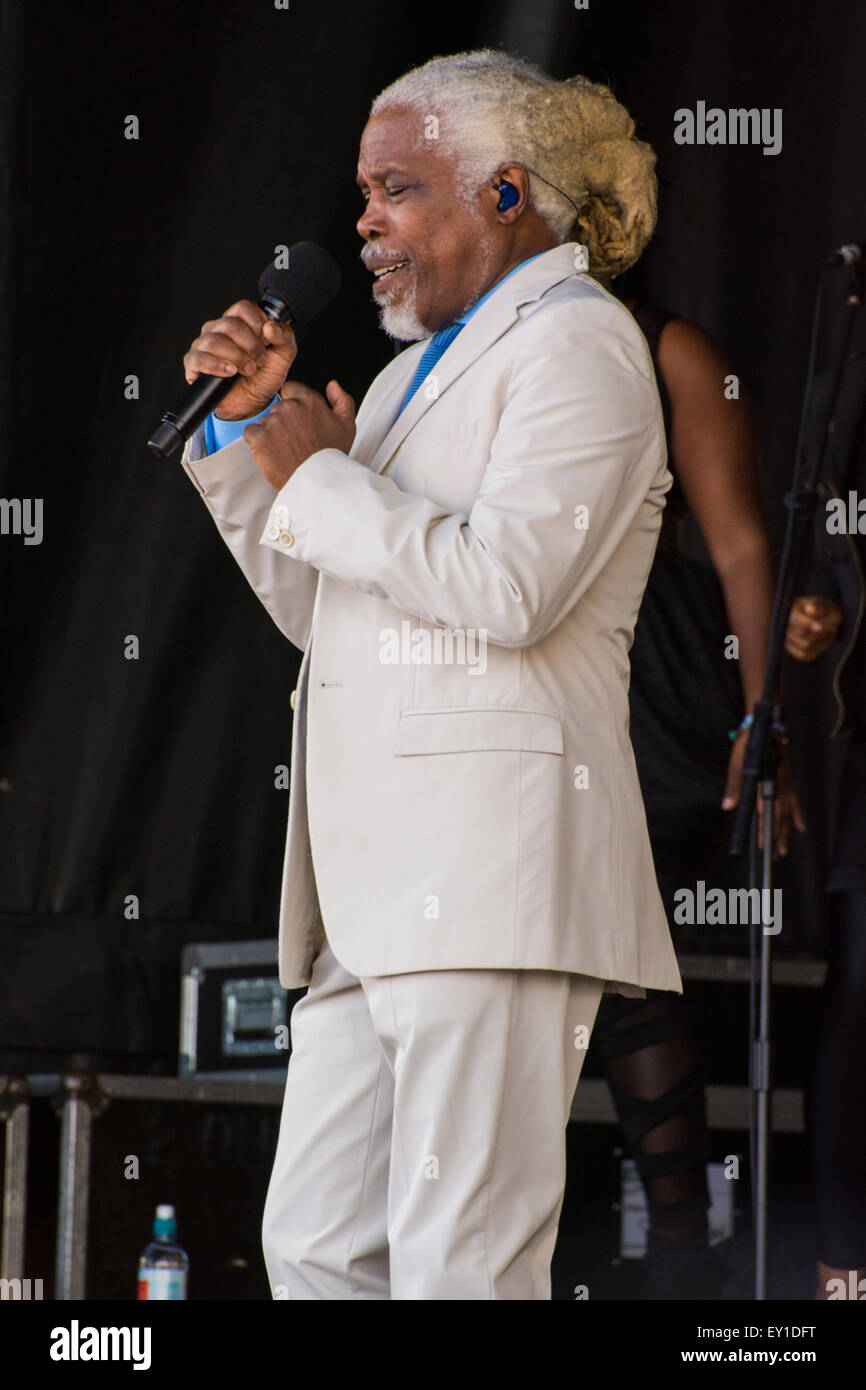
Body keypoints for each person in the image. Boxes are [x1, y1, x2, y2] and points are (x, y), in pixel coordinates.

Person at [179, 50, 682, 1300]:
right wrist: (255, 447)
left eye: (393, 188)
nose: (361, 223)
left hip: (487, 883)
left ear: (505, 192)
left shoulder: (581, 348)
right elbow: (333, 611)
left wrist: (327, 479)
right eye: (363, 193)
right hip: (371, 894)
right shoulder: (413, 371)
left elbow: (509, 590)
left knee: (459, 1262)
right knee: (313, 1249)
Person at [582, 272, 802, 1298]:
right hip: (517, 682)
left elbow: (741, 544)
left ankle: (678, 1245)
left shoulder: (668, 350)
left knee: (620, 957)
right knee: (529, 972)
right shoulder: (455, 339)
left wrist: (762, 723)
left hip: (644, 688)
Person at [784, 351, 866, 1300]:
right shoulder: (850, 366)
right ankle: (844, 1272)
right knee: (859, 988)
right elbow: (832, 547)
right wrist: (822, 613)